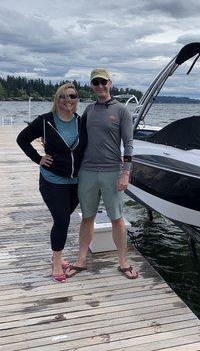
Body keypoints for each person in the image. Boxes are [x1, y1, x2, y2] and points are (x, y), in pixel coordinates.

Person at [66, 68, 138, 279]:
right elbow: (77, 138)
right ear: (91, 86)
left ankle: (123, 261)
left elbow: (129, 144)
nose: (99, 86)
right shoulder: (89, 110)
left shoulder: (122, 111)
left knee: (117, 218)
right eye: (95, 83)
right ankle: (81, 260)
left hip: (112, 172)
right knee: (87, 218)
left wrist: (126, 173)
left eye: (103, 82)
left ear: (110, 83)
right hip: (87, 171)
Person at [16, 83, 86, 282]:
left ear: (77, 99)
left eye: (71, 96)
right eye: (63, 97)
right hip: (52, 179)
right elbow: (22, 139)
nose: (67, 100)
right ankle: (56, 262)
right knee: (62, 220)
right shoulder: (45, 121)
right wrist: (37, 158)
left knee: (64, 217)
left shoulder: (81, 122)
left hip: (76, 181)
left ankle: (58, 255)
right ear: (57, 99)